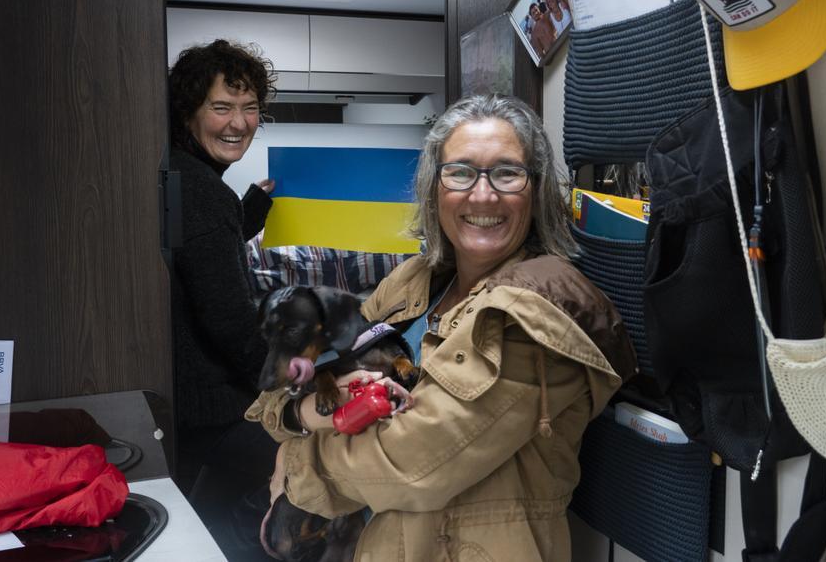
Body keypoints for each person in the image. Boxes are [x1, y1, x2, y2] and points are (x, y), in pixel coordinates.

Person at [248, 95, 637, 560]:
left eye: (507, 173)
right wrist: (301, 414)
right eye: (461, 172)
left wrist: (290, 467)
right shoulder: (413, 281)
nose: (483, 195)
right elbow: (277, 392)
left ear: (536, 192)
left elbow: (411, 466)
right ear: (435, 188)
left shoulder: (536, 312)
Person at [168, 39, 278, 559]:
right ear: (189, 111)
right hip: (214, 410)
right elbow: (229, 318)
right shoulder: (203, 190)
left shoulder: (184, 176)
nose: (239, 121)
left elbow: (207, 245)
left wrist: (250, 208)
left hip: (187, 407)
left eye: (250, 107)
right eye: (221, 107)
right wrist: (291, 384)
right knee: (326, 456)